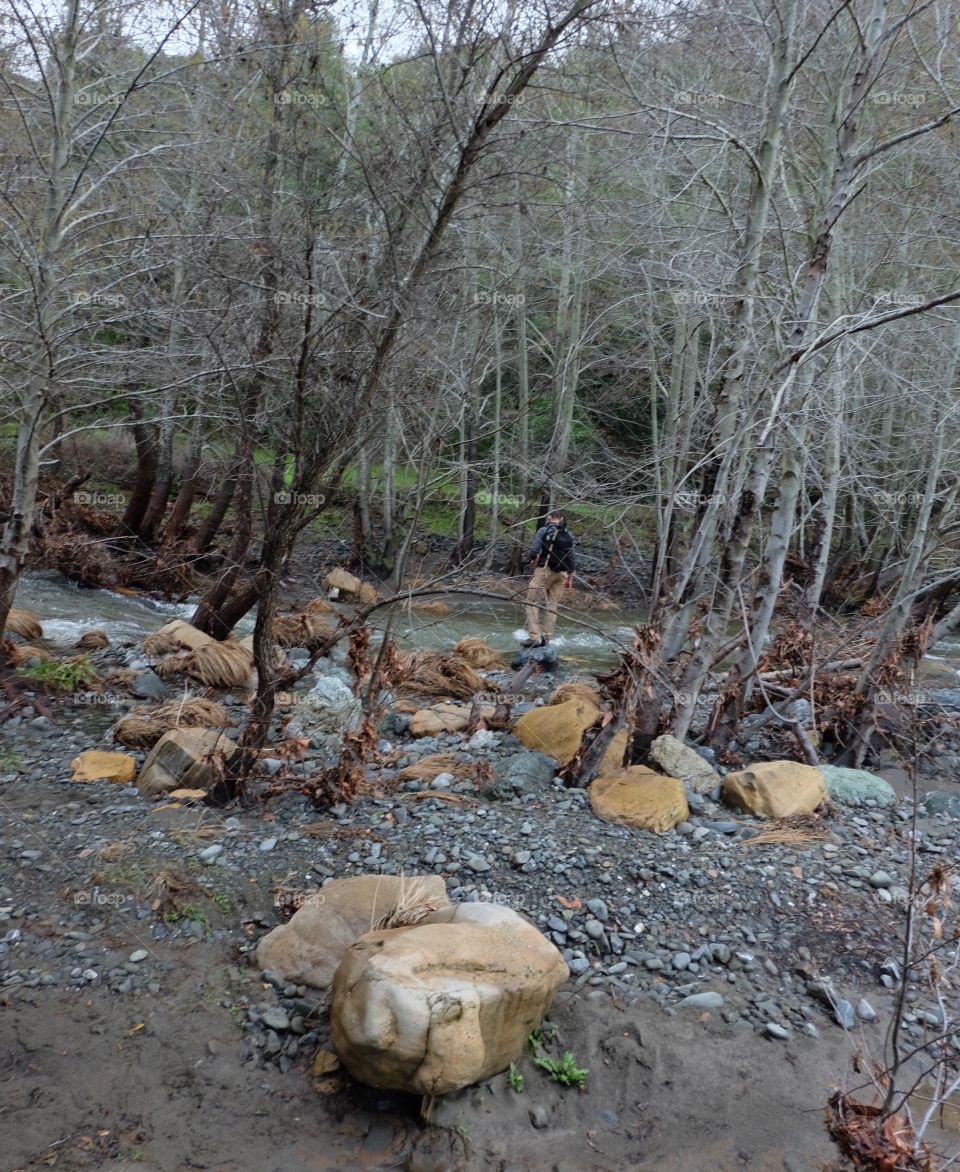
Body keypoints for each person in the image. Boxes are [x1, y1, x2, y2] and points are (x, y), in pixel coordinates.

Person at [522, 510, 576, 648]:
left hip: (546, 571)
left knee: (531, 602)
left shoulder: (543, 530)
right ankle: (548, 637)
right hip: (562, 574)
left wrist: (534, 560)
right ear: (562, 519)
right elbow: (572, 558)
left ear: (549, 517)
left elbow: (534, 551)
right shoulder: (568, 534)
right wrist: (570, 578)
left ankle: (534, 637)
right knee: (552, 606)